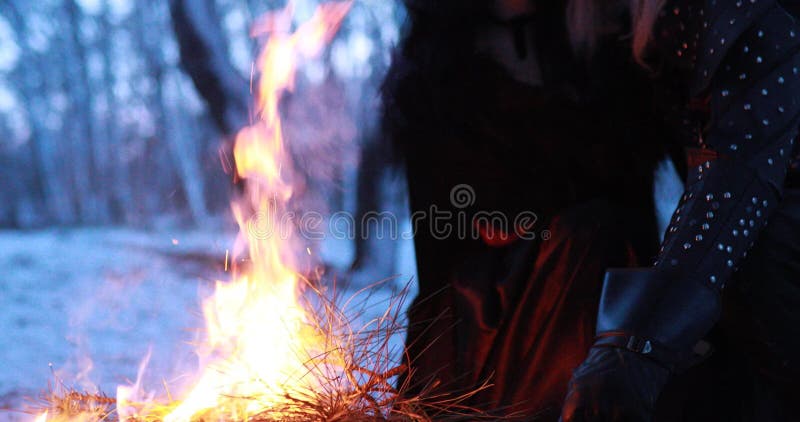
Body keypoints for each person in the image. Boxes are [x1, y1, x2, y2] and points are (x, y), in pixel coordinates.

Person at [382, 0, 800, 420]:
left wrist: (649, 335)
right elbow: (438, 255)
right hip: (499, 326)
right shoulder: (435, 76)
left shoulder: (610, 40)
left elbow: (717, 187)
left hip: (606, 301)